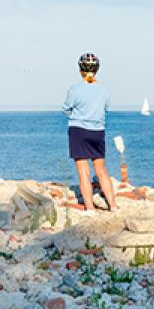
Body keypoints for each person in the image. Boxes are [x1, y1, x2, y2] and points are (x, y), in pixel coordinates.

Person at [61, 53, 117, 212]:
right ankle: (113, 206)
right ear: (97, 70)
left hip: (78, 131)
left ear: (80, 70)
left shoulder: (74, 89)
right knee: (101, 169)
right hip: (97, 131)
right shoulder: (104, 90)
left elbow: (66, 109)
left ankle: (90, 208)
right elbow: (105, 108)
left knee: (83, 171)